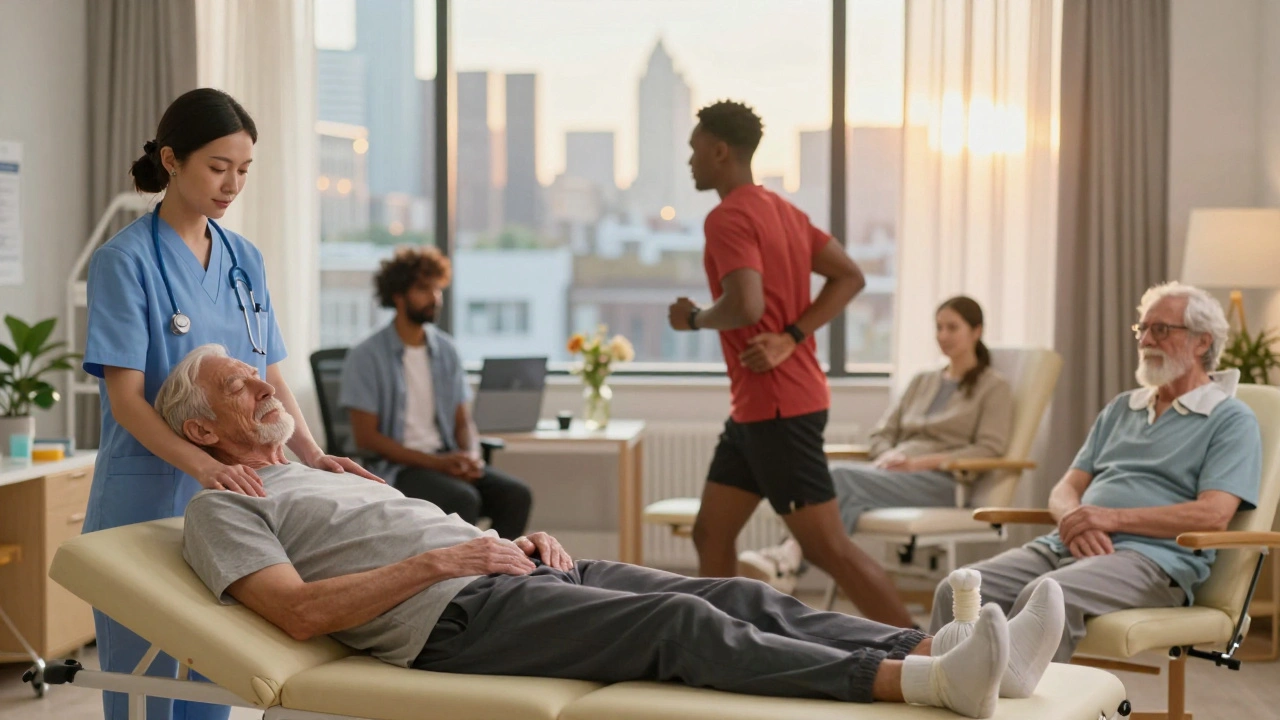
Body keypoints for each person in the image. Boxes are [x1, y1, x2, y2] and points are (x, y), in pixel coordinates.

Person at [161, 343, 1067, 719]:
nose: (265, 386)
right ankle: (925, 683)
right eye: (240, 385)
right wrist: (451, 556)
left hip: (501, 576)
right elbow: (299, 614)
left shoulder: (319, 471)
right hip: (450, 619)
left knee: (741, 591)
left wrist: (513, 544)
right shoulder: (222, 506)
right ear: (200, 429)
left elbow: (420, 530)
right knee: (681, 630)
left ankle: (944, 643)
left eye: (258, 375)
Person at [81, 89, 379, 720]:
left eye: (243, 170)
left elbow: (271, 373)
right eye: (218, 167)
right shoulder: (124, 262)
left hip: (236, 502)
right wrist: (206, 466)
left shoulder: (246, 261)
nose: (232, 184)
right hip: (145, 498)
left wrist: (313, 453)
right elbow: (127, 401)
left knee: (215, 678)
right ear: (171, 160)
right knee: (145, 688)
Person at [668, 100, 918, 628]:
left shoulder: (728, 216)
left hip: (779, 407)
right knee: (711, 534)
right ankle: (723, 647)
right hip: (758, 409)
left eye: (694, 150)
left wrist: (694, 319)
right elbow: (849, 275)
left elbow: (746, 305)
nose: (690, 161)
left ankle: (933, 655)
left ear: (719, 151)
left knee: (828, 548)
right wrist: (791, 335)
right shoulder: (781, 211)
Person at [931, 282, 1262, 662]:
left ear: (1202, 343)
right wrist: (1077, 519)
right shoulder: (1124, 407)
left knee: (1044, 596)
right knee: (955, 592)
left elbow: (1214, 515)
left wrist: (1108, 517)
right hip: (1066, 543)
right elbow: (1065, 488)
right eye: (1143, 329)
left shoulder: (1230, 419)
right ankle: (949, 696)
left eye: (1161, 329)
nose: (1146, 341)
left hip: (1150, 561)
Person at [740, 296, 1014, 595]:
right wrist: (889, 455)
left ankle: (787, 557)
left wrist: (918, 463)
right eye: (938, 328)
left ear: (976, 331)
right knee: (844, 495)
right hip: (894, 474)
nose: (943, 336)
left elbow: (989, 449)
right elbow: (881, 434)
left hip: (945, 483)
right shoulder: (923, 381)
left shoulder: (993, 387)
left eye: (952, 328)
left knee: (839, 477)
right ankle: (789, 562)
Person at [340, 245, 532, 539]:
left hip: (445, 460)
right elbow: (367, 438)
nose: (434, 297)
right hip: (397, 469)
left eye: (438, 289)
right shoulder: (366, 356)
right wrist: (438, 463)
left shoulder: (446, 350)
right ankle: (460, 580)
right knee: (463, 498)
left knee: (517, 495)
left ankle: (496, 577)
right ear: (398, 295)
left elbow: (462, 420)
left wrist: (470, 455)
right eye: (423, 289)